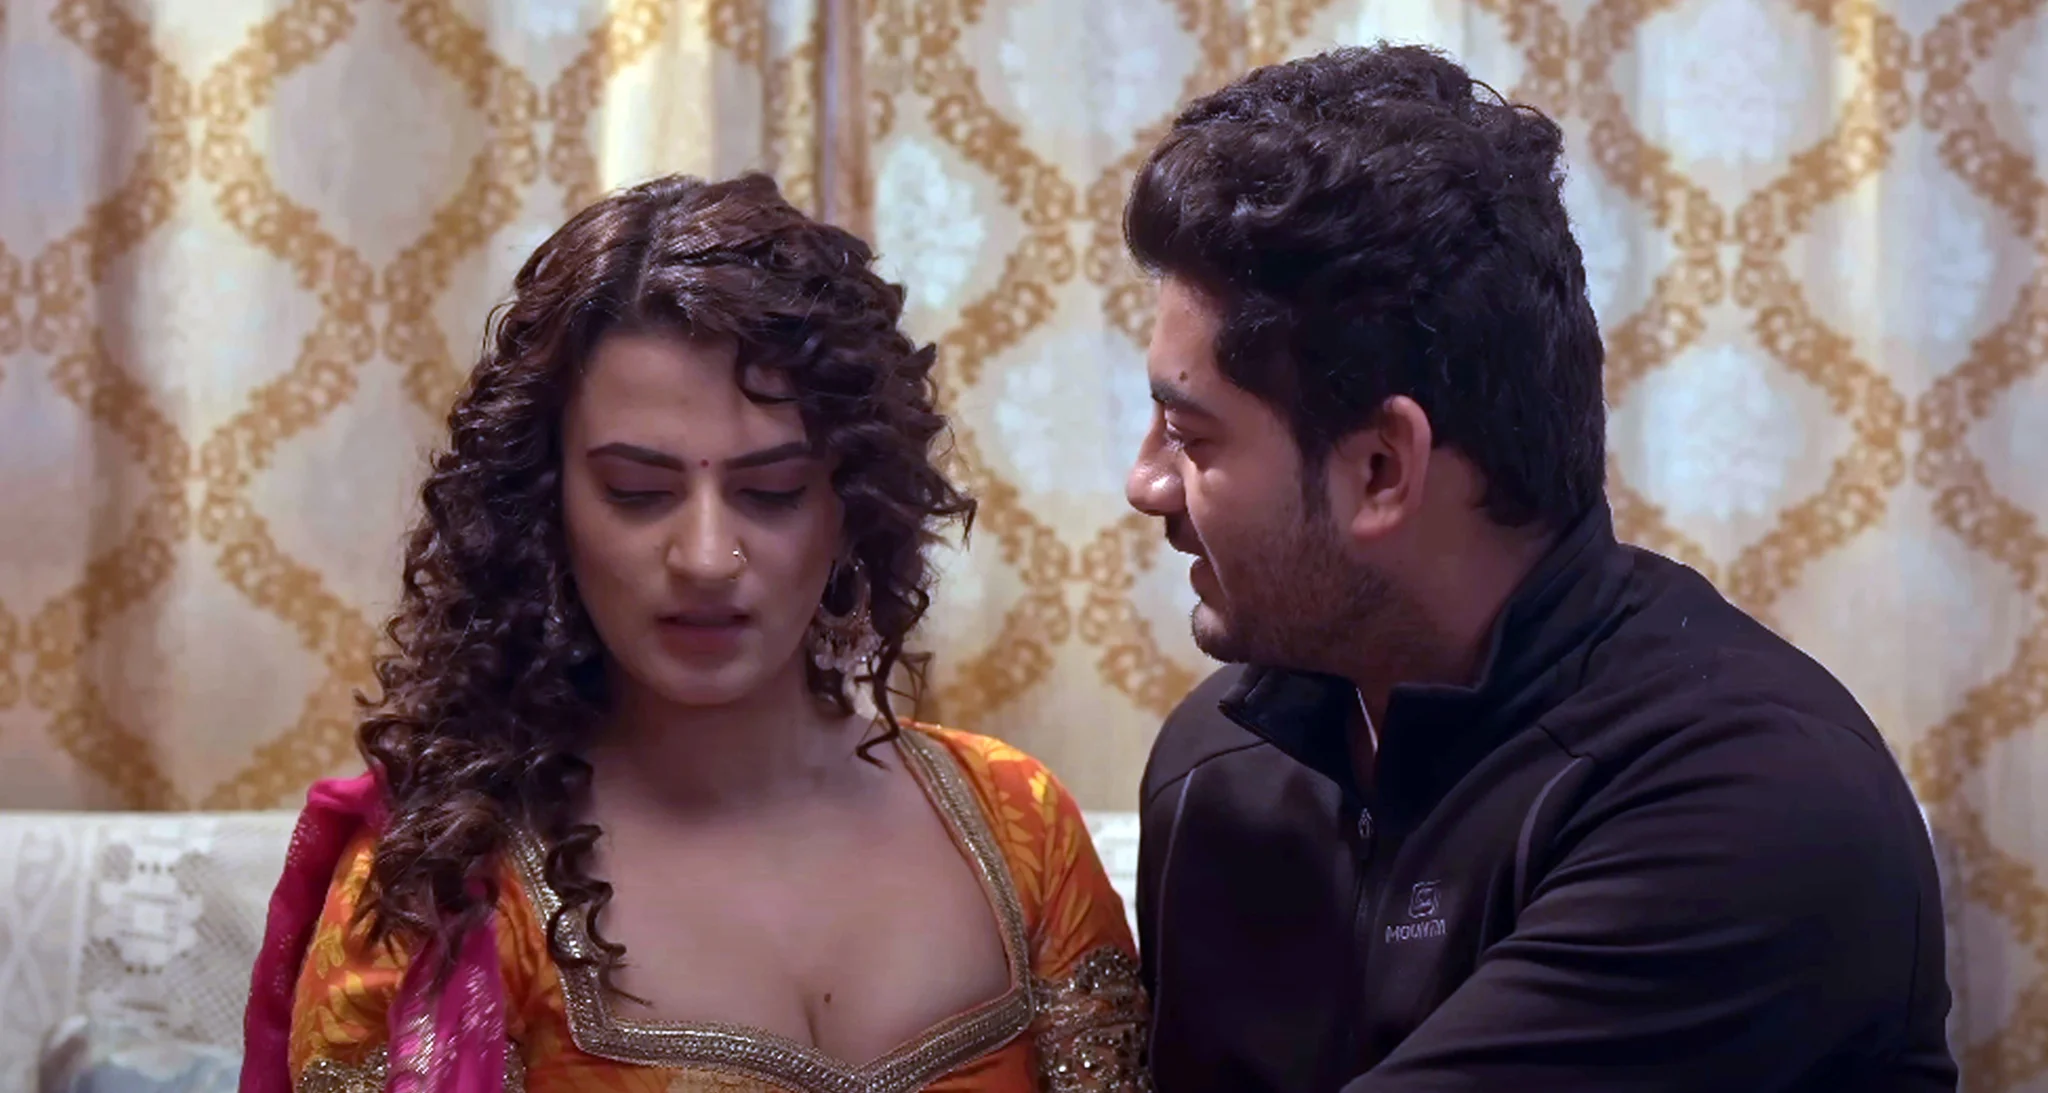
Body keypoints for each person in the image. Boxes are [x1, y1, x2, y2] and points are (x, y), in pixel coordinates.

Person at [1120, 44, 1954, 1093]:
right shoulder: (1215, 765)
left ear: (1381, 469)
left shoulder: (1753, 801)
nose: (1145, 484)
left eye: (1189, 437)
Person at [240, 173, 1148, 1093]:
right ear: (546, 508)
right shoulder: (445, 893)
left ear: (853, 504)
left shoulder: (1017, 827)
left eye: (772, 491)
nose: (709, 555)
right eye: (638, 492)